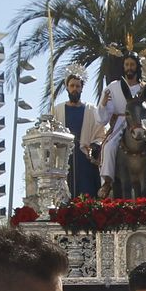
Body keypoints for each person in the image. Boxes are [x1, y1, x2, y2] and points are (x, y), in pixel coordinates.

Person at [97, 52, 146, 194]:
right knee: (109, 147)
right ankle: (107, 181)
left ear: (137, 67)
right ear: (123, 67)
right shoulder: (113, 86)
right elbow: (103, 116)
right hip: (120, 123)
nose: (129, 67)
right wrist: (104, 104)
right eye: (126, 64)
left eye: (132, 64)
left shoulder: (144, 88)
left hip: (140, 123)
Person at [52, 68, 105, 199]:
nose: (74, 89)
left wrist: (95, 145)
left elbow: (100, 133)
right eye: (72, 86)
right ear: (67, 87)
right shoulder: (57, 109)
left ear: (82, 88)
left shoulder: (91, 110)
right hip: (65, 158)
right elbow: (51, 132)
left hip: (85, 157)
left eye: (77, 86)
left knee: (87, 192)